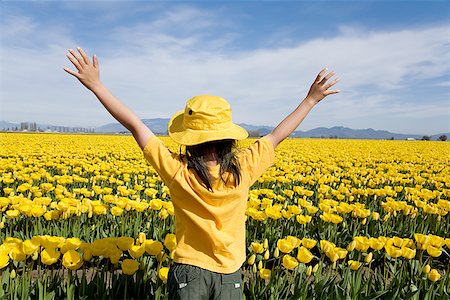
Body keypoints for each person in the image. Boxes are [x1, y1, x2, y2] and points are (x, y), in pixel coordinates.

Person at [64, 47, 339, 299]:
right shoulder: (244, 167)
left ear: (189, 137)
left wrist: (97, 86)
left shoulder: (178, 170)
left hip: (189, 271)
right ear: (229, 137)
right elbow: (277, 135)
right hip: (229, 272)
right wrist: (311, 99)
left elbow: (135, 125)